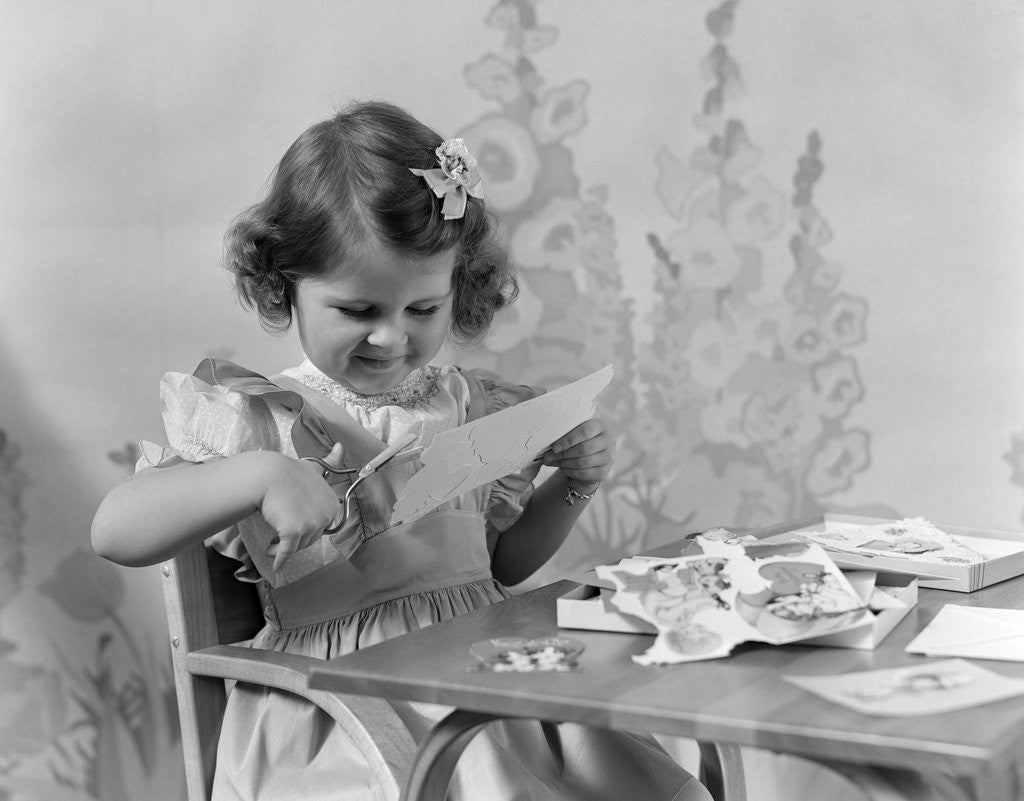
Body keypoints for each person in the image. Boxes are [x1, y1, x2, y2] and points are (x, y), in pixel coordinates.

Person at [91, 100, 711, 801]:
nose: (391, 338)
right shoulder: (258, 421)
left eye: (422, 310)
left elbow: (501, 565)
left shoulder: (470, 405)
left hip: (482, 683)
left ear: (459, 287)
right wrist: (258, 474)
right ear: (282, 285)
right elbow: (116, 529)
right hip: (343, 712)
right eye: (358, 311)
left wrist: (572, 484)